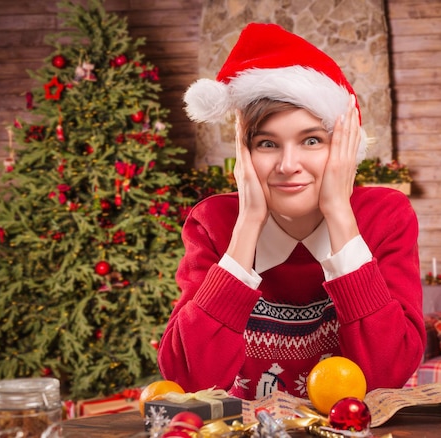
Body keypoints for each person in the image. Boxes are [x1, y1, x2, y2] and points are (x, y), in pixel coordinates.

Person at [158, 22, 425, 400]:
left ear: (345, 148)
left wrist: (339, 214)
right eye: (267, 143)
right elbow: (189, 379)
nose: (288, 165)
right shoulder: (213, 223)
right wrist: (248, 224)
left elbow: (388, 375)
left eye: (311, 140)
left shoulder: (385, 216)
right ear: (244, 154)